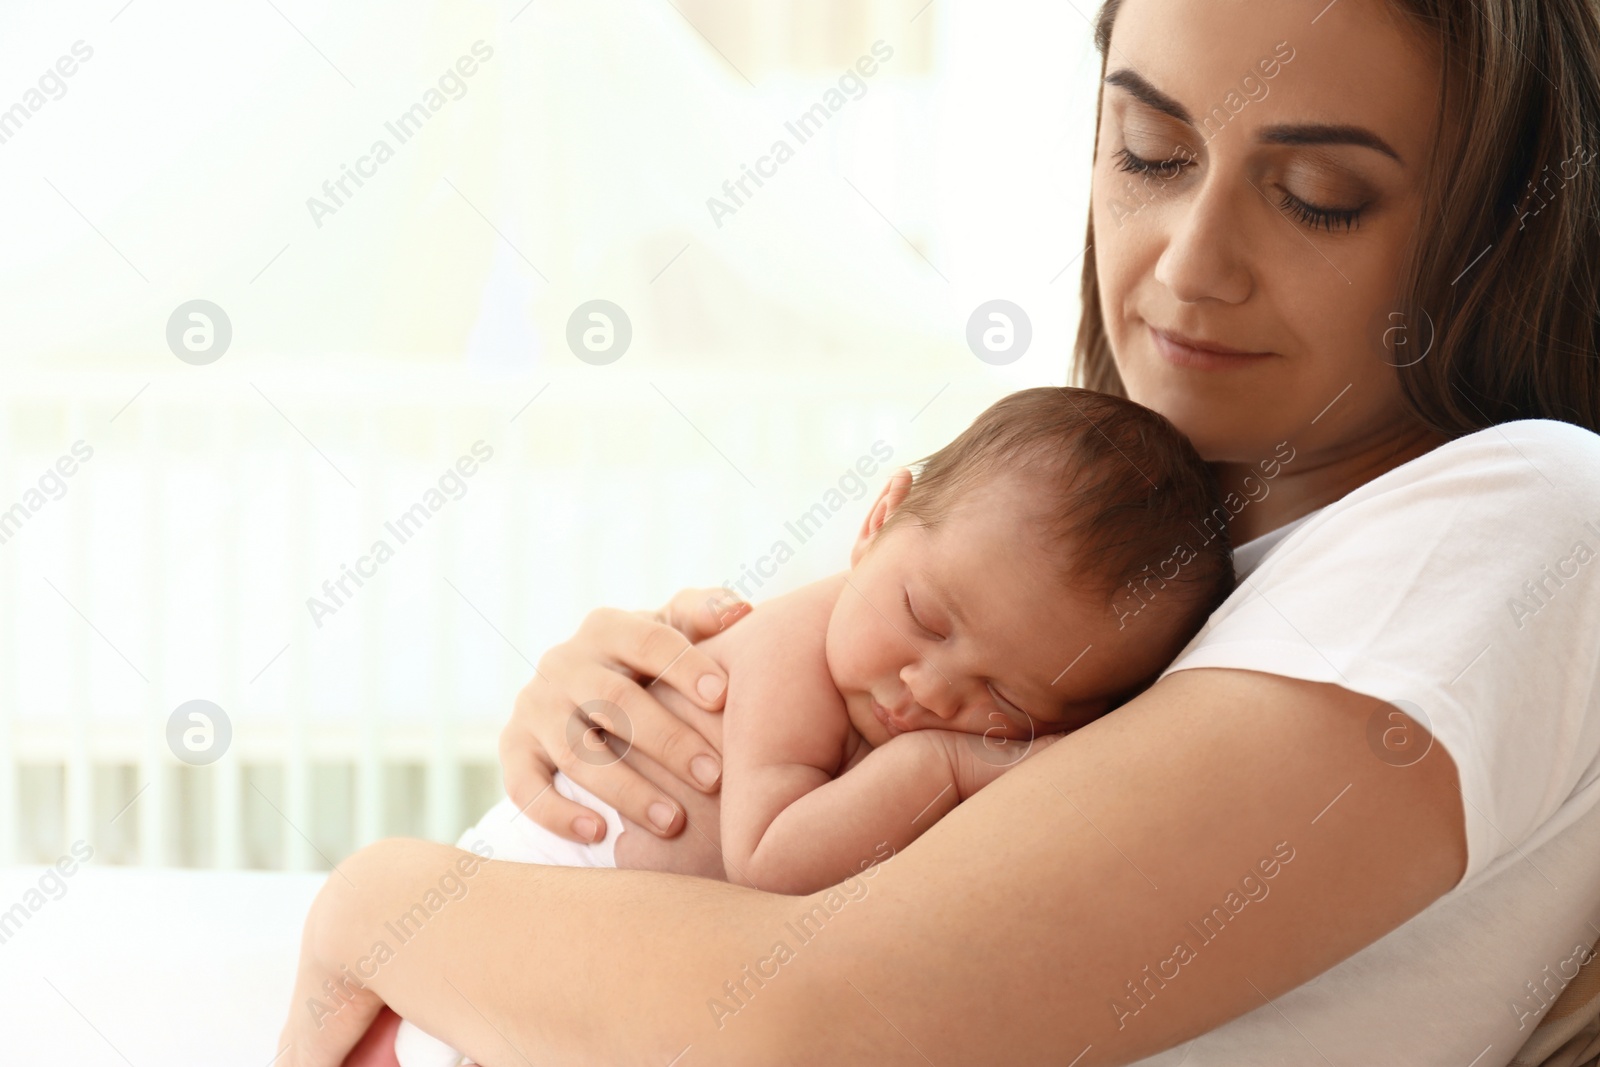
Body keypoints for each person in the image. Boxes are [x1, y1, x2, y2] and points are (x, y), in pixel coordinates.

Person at [277, 0, 1600, 1063]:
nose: (1189, 262)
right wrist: (639, 729)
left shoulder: (1527, 512)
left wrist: (382, 904)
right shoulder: (1159, 579)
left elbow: (814, 1024)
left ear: (1495, 232)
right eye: (1148, 153)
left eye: (1317, 192)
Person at [390, 386, 1236, 1065]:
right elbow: (770, 864)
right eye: (927, 618)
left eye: (1007, 699)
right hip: (490, 957)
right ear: (878, 521)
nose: (932, 690)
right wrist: (942, 765)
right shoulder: (790, 646)